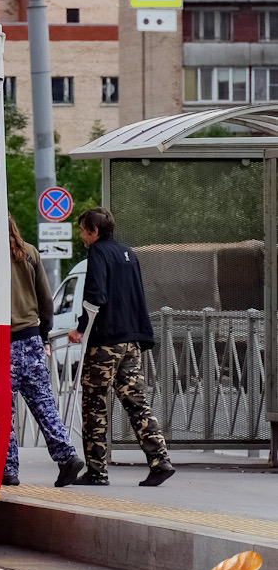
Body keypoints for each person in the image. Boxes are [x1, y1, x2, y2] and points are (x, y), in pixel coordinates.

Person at [68, 207, 175, 487]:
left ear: (94, 231)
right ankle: (160, 460)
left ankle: (96, 471)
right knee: (136, 402)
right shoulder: (129, 254)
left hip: (105, 341)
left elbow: (95, 296)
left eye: (82, 230)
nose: (81, 236)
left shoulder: (98, 253)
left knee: (94, 405)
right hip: (131, 342)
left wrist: (81, 329)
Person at [4, 216, 83, 488]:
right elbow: (46, 300)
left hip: (2, 343)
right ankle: (67, 457)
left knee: (5, 409)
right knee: (44, 404)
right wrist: (44, 334)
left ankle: (9, 470)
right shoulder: (30, 253)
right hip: (31, 340)